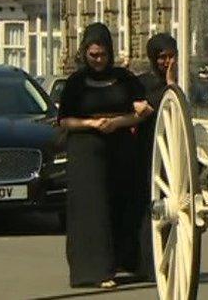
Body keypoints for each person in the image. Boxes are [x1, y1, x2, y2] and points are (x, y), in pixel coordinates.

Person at [57, 23, 150, 288]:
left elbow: (142, 111)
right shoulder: (76, 83)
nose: (98, 61)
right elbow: (65, 120)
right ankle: (97, 270)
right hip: (86, 150)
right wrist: (91, 125)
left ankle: (130, 261)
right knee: (93, 209)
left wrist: (119, 122)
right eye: (93, 55)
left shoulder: (124, 78)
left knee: (126, 202)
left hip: (120, 145)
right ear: (85, 53)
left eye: (102, 55)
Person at [133, 33, 178, 281]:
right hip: (147, 151)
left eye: (171, 56)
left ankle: (169, 261)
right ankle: (146, 264)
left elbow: (179, 105)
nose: (167, 62)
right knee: (147, 209)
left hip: (173, 154)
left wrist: (171, 82)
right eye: (162, 58)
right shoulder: (143, 83)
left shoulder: (183, 83)